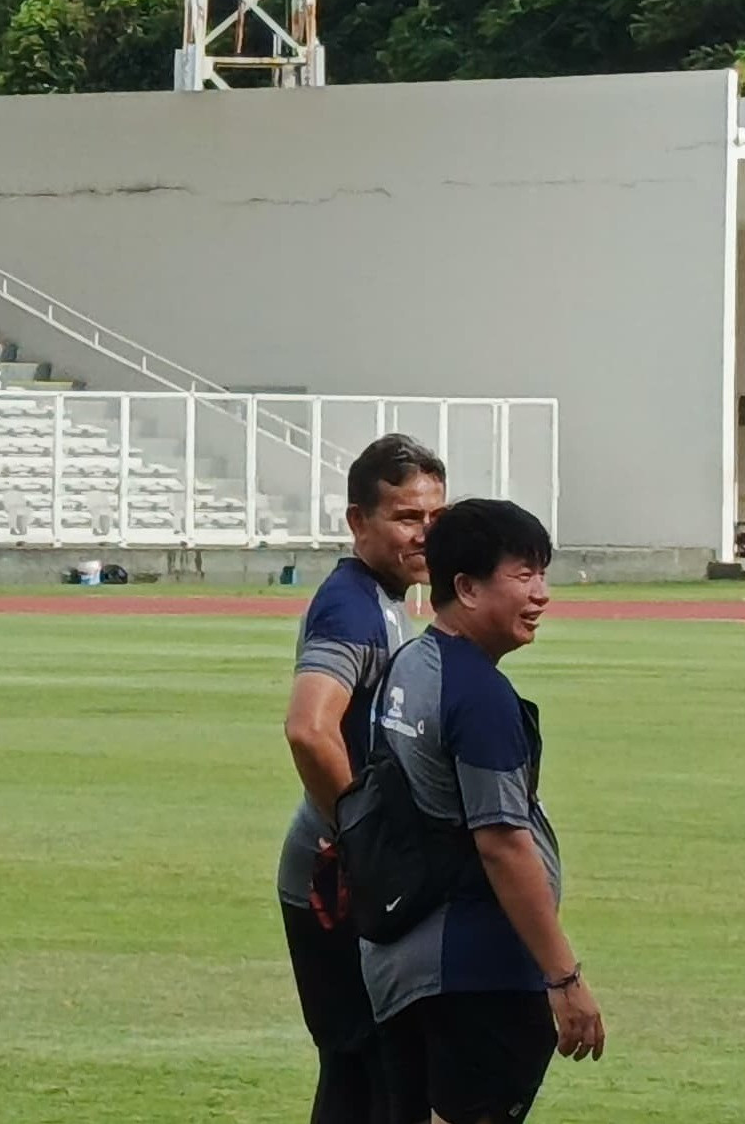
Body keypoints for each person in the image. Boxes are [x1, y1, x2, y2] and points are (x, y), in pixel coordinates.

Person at [362, 499, 604, 1124]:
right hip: (474, 970)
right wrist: (565, 979)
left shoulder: (411, 665)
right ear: (466, 588)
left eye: (543, 575)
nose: (542, 594)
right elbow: (502, 843)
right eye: (523, 576)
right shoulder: (479, 696)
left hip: (403, 960)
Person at [278, 435, 447, 1124]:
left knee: (367, 1066)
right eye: (407, 518)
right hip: (331, 869)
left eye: (436, 518)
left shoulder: (383, 599)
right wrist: (359, 836)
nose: (425, 534)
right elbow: (308, 728)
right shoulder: (352, 606)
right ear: (357, 522)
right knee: (365, 1065)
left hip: (338, 861)